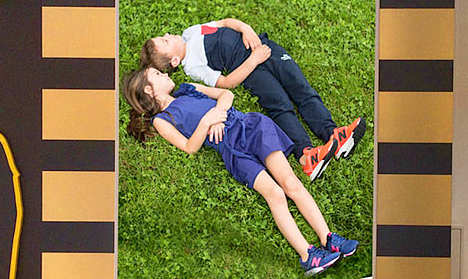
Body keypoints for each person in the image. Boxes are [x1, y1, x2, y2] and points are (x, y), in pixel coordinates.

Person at [121, 67, 359, 275]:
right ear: (149, 90)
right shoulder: (162, 120)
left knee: (290, 182)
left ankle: (329, 238)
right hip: (232, 150)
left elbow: (226, 94)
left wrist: (219, 114)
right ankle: (308, 256)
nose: (164, 74)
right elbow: (189, 147)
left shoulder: (188, 88)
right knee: (274, 194)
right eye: (157, 74)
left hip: (251, 128)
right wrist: (208, 121)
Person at [139, 18, 366, 182]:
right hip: (251, 69)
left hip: (263, 46)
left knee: (301, 87)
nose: (167, 34)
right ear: (175, 61)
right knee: (280, 105)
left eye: (164, 37)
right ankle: (307, 155)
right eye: (165, 41)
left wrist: (245, 29)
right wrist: (254, 60)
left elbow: (224, 23)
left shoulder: (190, 32)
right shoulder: (193, 67)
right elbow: (226, 83)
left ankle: (333, 134)